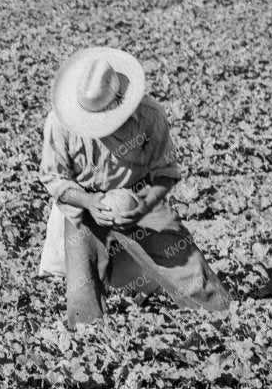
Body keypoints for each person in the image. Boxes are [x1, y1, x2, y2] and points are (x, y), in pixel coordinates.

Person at [38, 46, 231, 328]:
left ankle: (227, 323)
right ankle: (89, 343)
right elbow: (54, 178)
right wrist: (90, 203)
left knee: (192, 276)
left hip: (140, 198)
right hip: (84, 205)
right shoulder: (60, 122)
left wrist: (144, 205)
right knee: (82, 295)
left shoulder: (150, 115)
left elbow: (165, 173)